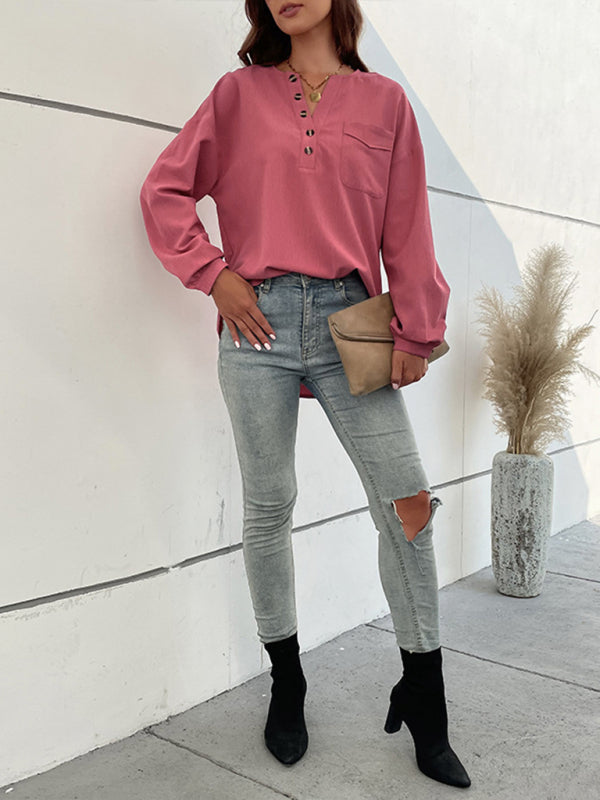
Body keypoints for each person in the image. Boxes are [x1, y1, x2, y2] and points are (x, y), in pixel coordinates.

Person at [139, 0, 471, 789]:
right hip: (255, 321)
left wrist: (418, 331)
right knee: (269, 503)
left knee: (407, 503)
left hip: (348, 321)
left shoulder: (385, 103)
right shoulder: (238, 95)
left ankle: (424, 694)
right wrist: (213, 274)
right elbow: (165, 191)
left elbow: (407, 228)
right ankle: (286, 681)